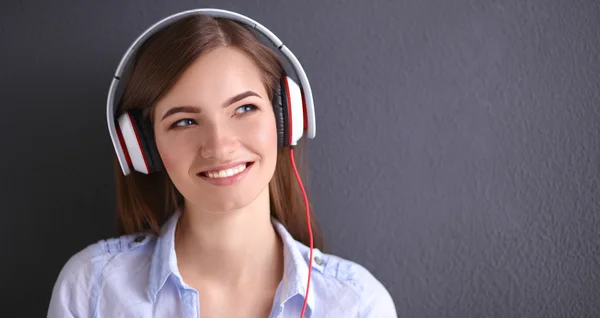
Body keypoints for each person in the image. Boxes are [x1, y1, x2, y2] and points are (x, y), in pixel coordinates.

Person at [47, 8, 397, 318]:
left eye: (244, 108)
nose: (219, 146)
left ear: (286, 119)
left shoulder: (358, 305)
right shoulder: (91, 290)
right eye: (184, 121)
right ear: (143, 147)